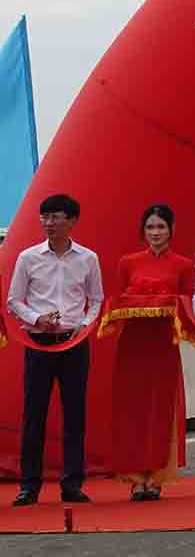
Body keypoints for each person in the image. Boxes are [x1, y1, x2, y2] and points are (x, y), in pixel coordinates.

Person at [6, 194, 102, 506]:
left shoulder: (88, 259)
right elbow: (14, 300)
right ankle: (29, 485)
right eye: (44, 217)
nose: (49, 223)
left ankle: (72, 483)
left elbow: (97, 300)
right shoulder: (28, 257)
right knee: (34, 414)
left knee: (75, 414)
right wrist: (37, 318)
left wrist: (83, 325)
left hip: (74, 344)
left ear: (72, 221)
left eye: (55, 217)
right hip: (39, 343)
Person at [110, 204, 195, 501]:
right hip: (132, 344)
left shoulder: (184, 265)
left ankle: (157, 476)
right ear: (142, 231)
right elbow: (120, 299)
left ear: (171, 230)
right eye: (150, 227)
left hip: (164, 344)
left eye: (161, 227)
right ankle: (135, 478)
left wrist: (166, 302)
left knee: (161, 407)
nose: (155, 232)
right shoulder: (127, 263)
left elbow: (187, 304)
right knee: (132, 408)